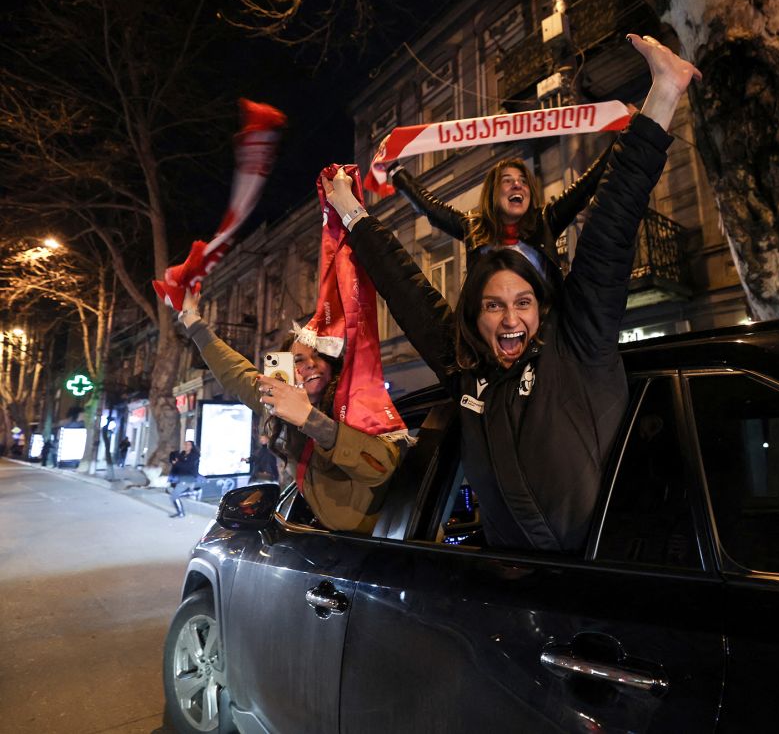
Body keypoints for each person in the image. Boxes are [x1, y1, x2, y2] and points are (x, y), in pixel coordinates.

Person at [325, 34, 699, 552]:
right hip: (507, 595)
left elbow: (611, 222)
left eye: (522, 303)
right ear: (473, 318)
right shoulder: (462, 367)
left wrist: (663, 93)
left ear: (542, 308)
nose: (509, 320)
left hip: (602, 585)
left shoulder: (579, 344)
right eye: (493, 306)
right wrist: (351, 211)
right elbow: (404, 286)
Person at [174, 290, 403, 532]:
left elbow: (381, 468)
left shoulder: (355, 404)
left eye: (319, 356)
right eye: (298, 360)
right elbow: (234, 371)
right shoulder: (278, 404)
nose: (311, 364)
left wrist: (311, 419)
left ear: (332, 362)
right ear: (286, 369)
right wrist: (191, 318)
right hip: (322, 535)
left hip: (373, 541)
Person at [389, 139, 613, 281]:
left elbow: (587, 184)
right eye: (508, 181)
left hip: (543, 339)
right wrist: (395, 172)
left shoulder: (546, 220)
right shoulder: (472, 227)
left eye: (523, 181)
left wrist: (630, 134)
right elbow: (430, 207)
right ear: (493, 193)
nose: (518, 185)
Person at [168, 440, 200, 518]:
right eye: (185, 444)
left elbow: (187, 467)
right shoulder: (182, 454)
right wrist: (175, 462)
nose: (186, 446)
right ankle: (193, 492)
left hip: (188, 478)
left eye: (188, 445)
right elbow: (176, 463)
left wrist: (178, 463)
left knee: (174, 495)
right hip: (181, 477)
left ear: (192, 447)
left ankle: (181, 513)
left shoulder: (194, 456)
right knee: (172, 493)